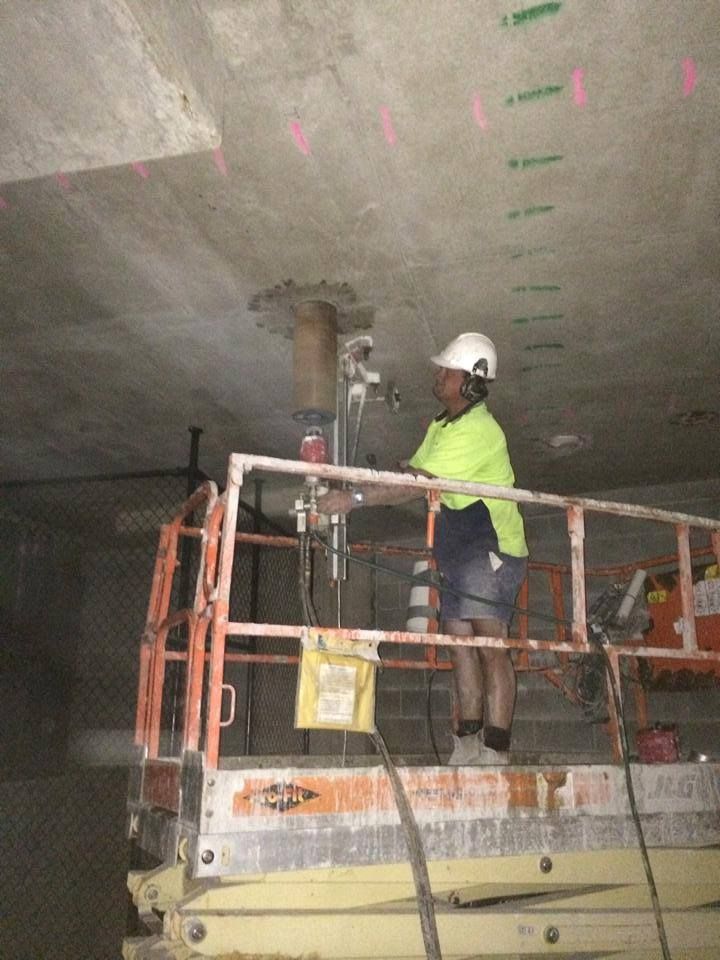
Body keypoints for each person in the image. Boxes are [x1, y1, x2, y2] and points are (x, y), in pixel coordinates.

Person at [317, 333, 528, 764]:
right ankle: (467, 742)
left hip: (491, 547)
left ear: (470, 383)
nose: (438, 375)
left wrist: (355, 498)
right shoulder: (442, 425)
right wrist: (392, 478)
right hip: (460, 546)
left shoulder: (479, 430)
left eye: (446, 370)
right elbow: (416, 472)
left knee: (490, 646)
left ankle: (495, 750)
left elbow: (416, 484)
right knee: (458, 643)